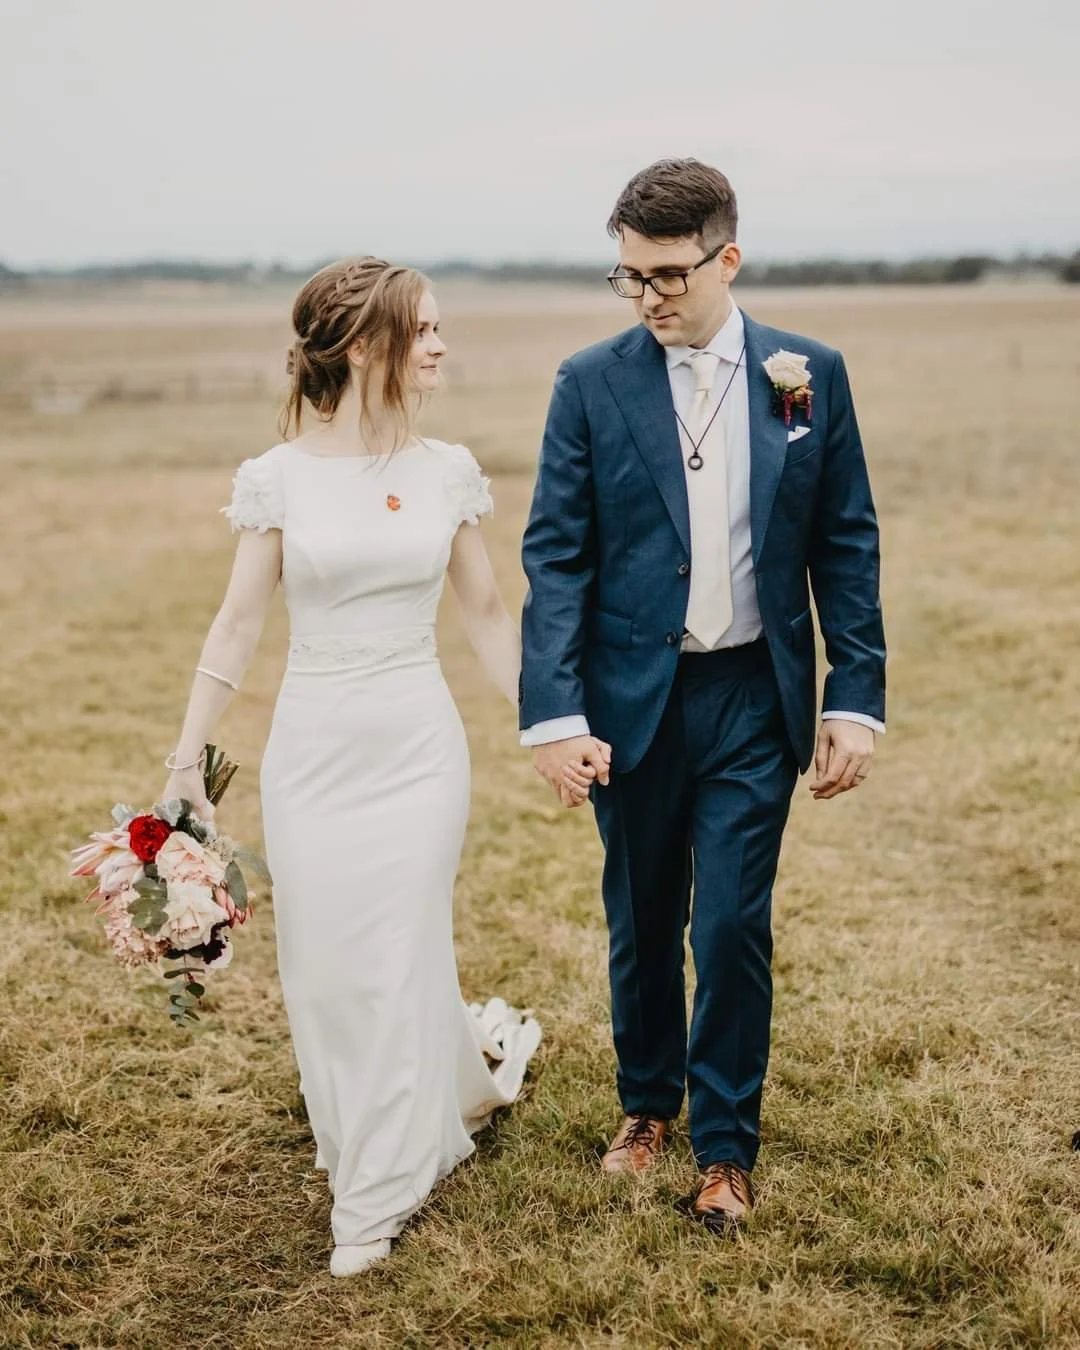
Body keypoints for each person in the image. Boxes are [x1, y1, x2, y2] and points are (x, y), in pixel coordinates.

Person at [161, 258, 589, 1276]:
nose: (441, 345)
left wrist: (546, 726)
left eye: (442, 328)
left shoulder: (446, 470)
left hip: (416, 750)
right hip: (312, 753)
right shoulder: (278, 478)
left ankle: (380, 1190)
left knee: (394, 948)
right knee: (325, 967)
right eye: (424, 329)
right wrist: (187, 759)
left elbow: (486, 613)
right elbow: (236, 624)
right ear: (364, 346)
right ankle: (372, 1121)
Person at [520, 159, 886, 1231]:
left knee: (728, 924)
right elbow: (558, 557)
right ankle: (647, 1107)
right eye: (628, 277)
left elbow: (845, 540)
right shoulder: (588, 382)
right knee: (641, 918)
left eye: (668, 275)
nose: (648, 297)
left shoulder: (803, 373)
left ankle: (726, 1149)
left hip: (751, 696)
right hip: (631, 701)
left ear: (728, 257)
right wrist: (554, 713)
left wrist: (852, 697)